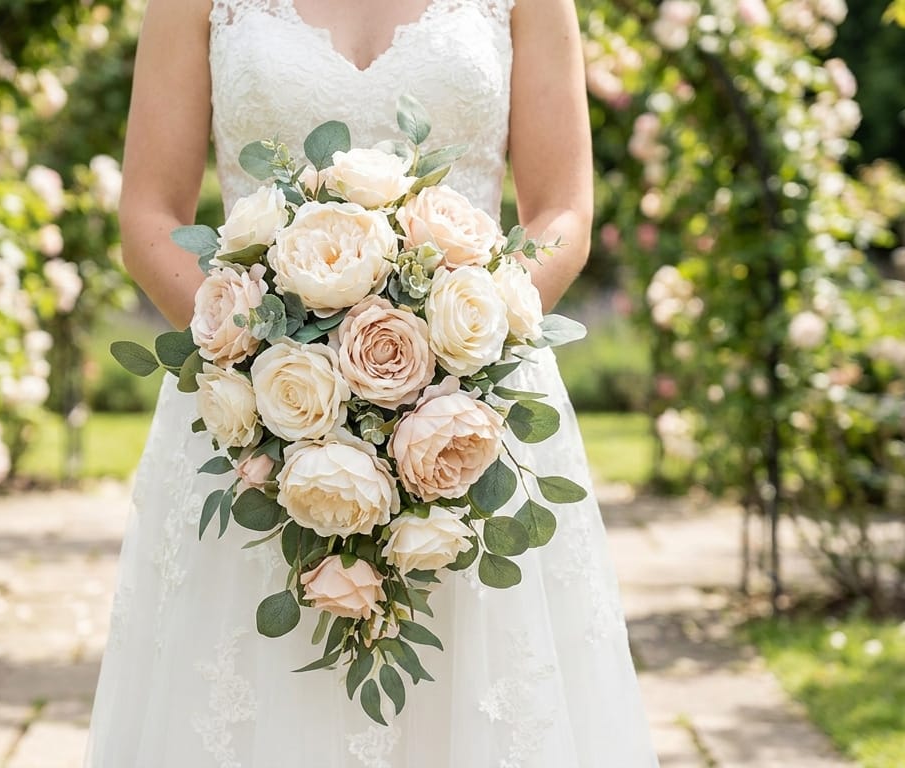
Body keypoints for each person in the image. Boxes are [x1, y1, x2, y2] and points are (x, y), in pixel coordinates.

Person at [83, 0, 661, 764]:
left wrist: (465, 346)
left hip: (472, 419)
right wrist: (263, 362)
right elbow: (150, 215)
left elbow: (562, 212)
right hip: (254, 423)